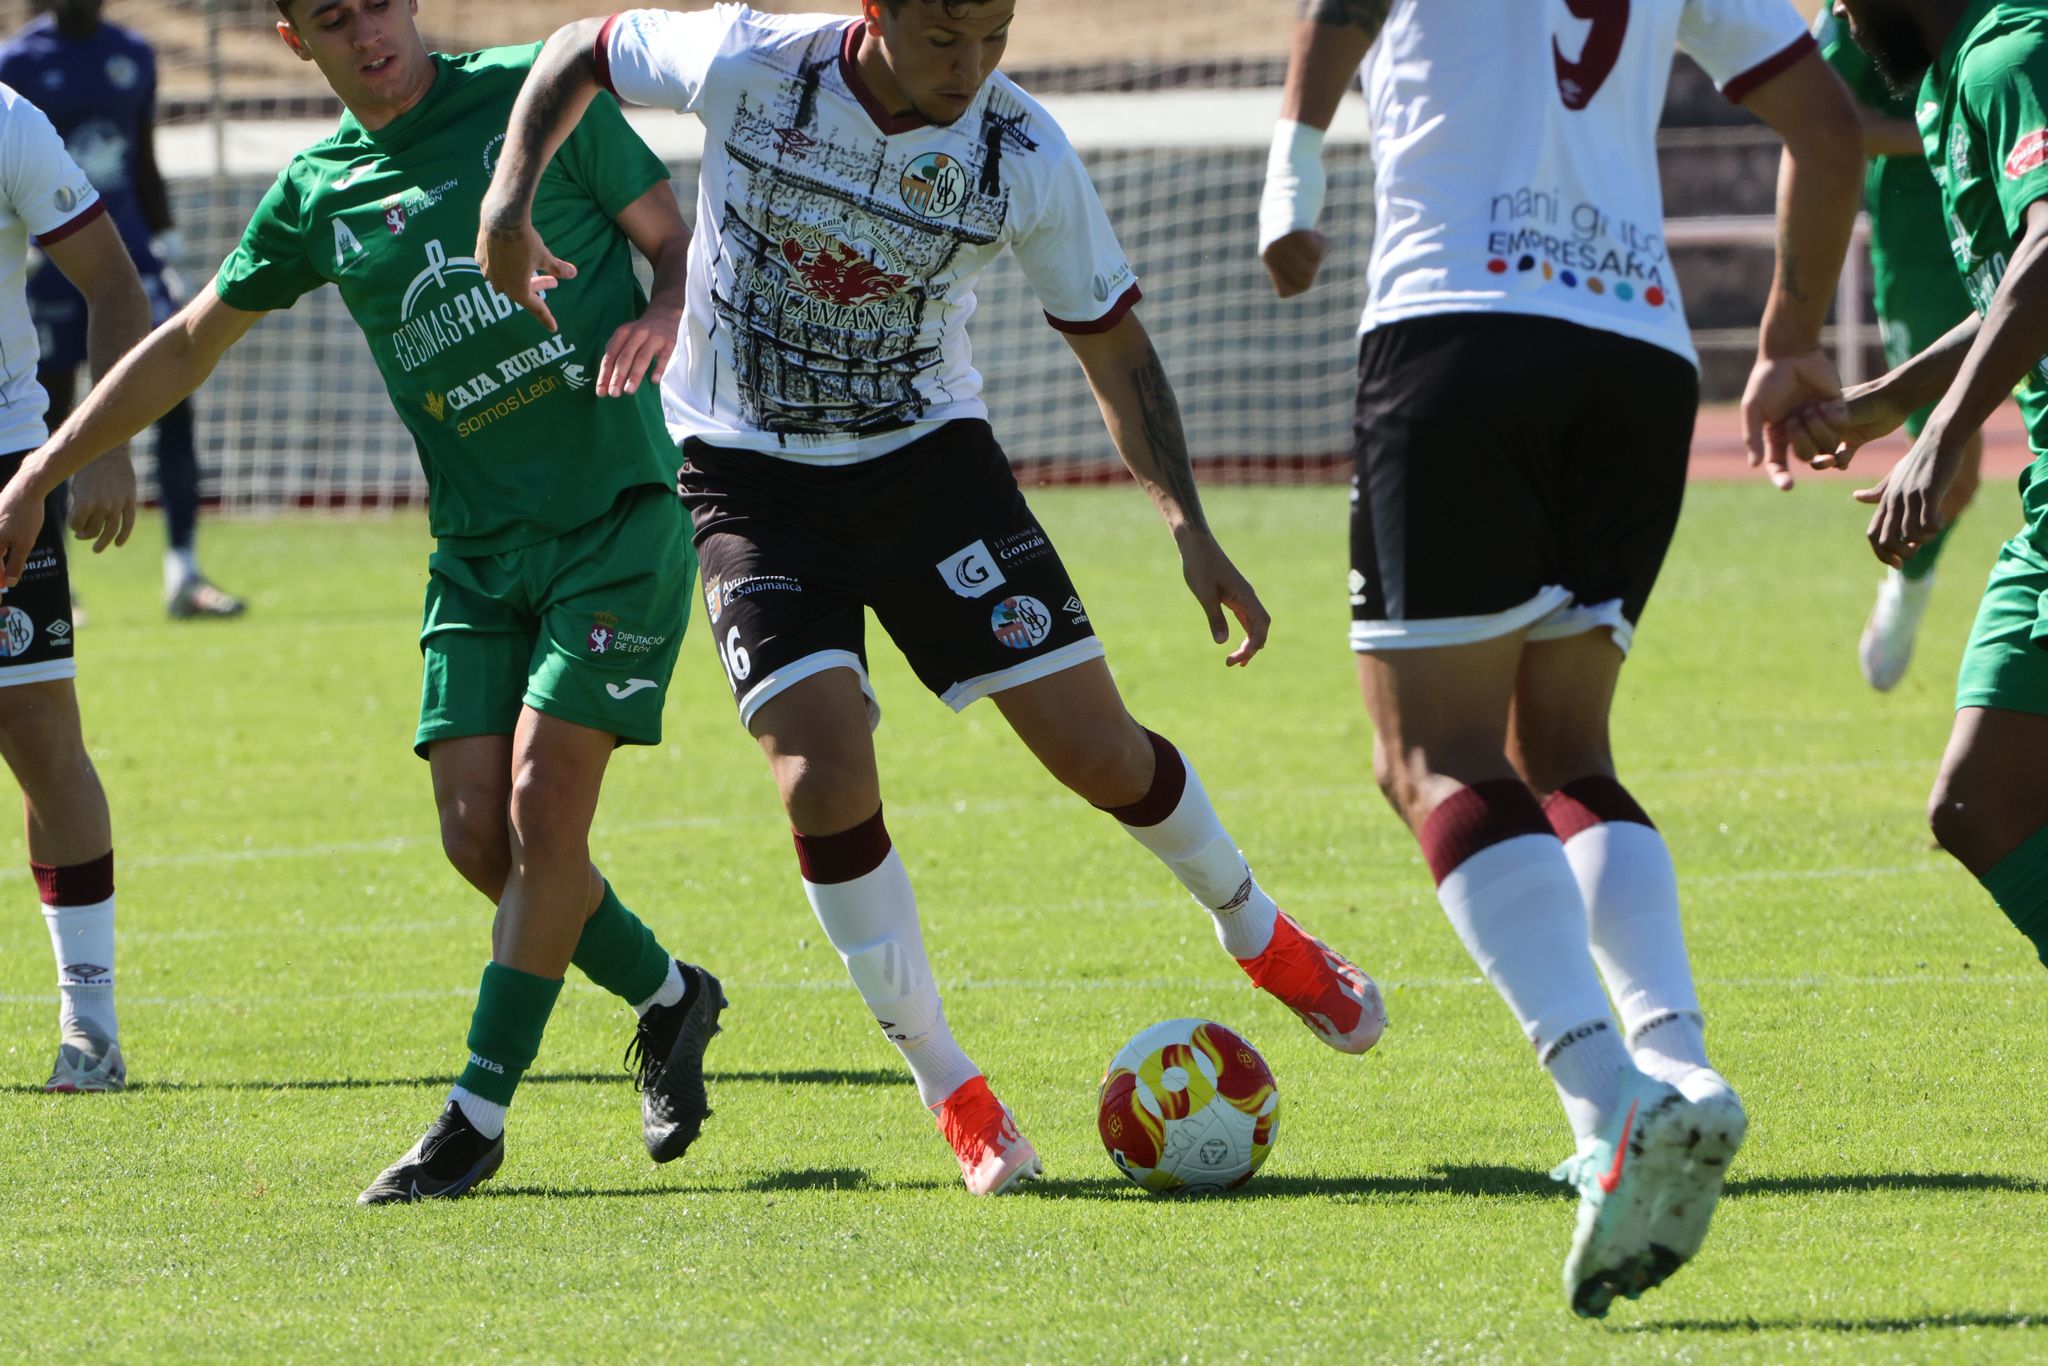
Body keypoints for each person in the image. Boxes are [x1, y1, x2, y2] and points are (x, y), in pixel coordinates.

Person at [479, 0, 1387, 1198]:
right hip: (750, 480)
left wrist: (1188, 527)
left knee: (1099, 751)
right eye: (946, 38)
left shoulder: (1020, 150)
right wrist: (507, 205)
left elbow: (1112, 347)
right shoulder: (748, 62)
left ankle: (1258, 931)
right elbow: (578, 50)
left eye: (994, 35)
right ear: (877, 12)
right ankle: (950, 1085)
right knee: (820, 778)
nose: (972, 66)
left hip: (928, 470)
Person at [0, 0, 723, 1204]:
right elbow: (186, 342)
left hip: (616, 517)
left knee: (543, 813)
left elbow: (676, 243)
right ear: (297, 41)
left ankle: (472, 1119)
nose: (368, 33)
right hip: (474, 554)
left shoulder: (538, 101)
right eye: (333, 19)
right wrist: (44, 468)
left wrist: (661, 311)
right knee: (476, 839)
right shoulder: (317, 193)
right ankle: (671, 994)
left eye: (379, 3)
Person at [1257, 0, 1860, 1316]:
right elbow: (1827, 127)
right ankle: (1677, 1062)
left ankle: (1607, 1100)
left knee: (1429, 755)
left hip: (1462, 325)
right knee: (1565, 748)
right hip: (1636, 356)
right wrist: (1785, 341)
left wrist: (1289, 180)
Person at [1786, 0, 2048, 981]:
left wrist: (1942, 431)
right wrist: (1891, 399)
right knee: (1976, 803)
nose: (1844, 19)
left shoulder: (2010, 54)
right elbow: (2009, 285)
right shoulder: (1951, 81)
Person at [0, 0, 244, 619]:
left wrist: (167, 240)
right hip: (53, 266)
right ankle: (54, 578)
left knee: (170, 398)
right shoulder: (17, 62)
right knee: (48, 417)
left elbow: (143, 158)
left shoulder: (132, 54)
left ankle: (184, 570)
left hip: (126, 252)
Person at [0, 82, 150, 1091]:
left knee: (42, 739)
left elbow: (115, 287)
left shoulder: (9, 122)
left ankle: (89, 1026)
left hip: (4, 470)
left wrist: (103, 450)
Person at [1817, 4, 1991, 689]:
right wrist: (1950, 128)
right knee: (1955, 473)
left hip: (2014, 223)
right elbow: (1831, 119)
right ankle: (1910, 584)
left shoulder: (2013, 39)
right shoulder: (1858, 16)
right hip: (1923, 247)